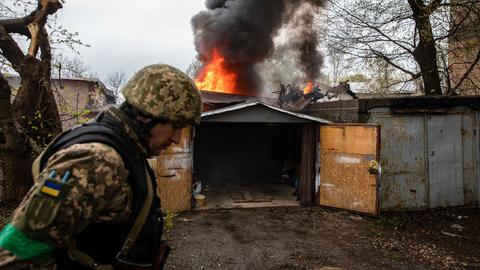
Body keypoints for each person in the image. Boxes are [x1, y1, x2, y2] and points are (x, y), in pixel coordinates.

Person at [0, 64, 202, 269]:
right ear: (148, 116)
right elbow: (16, 255)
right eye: (175, 126)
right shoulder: (96, 159)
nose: (177, 138)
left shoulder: (127, 150)